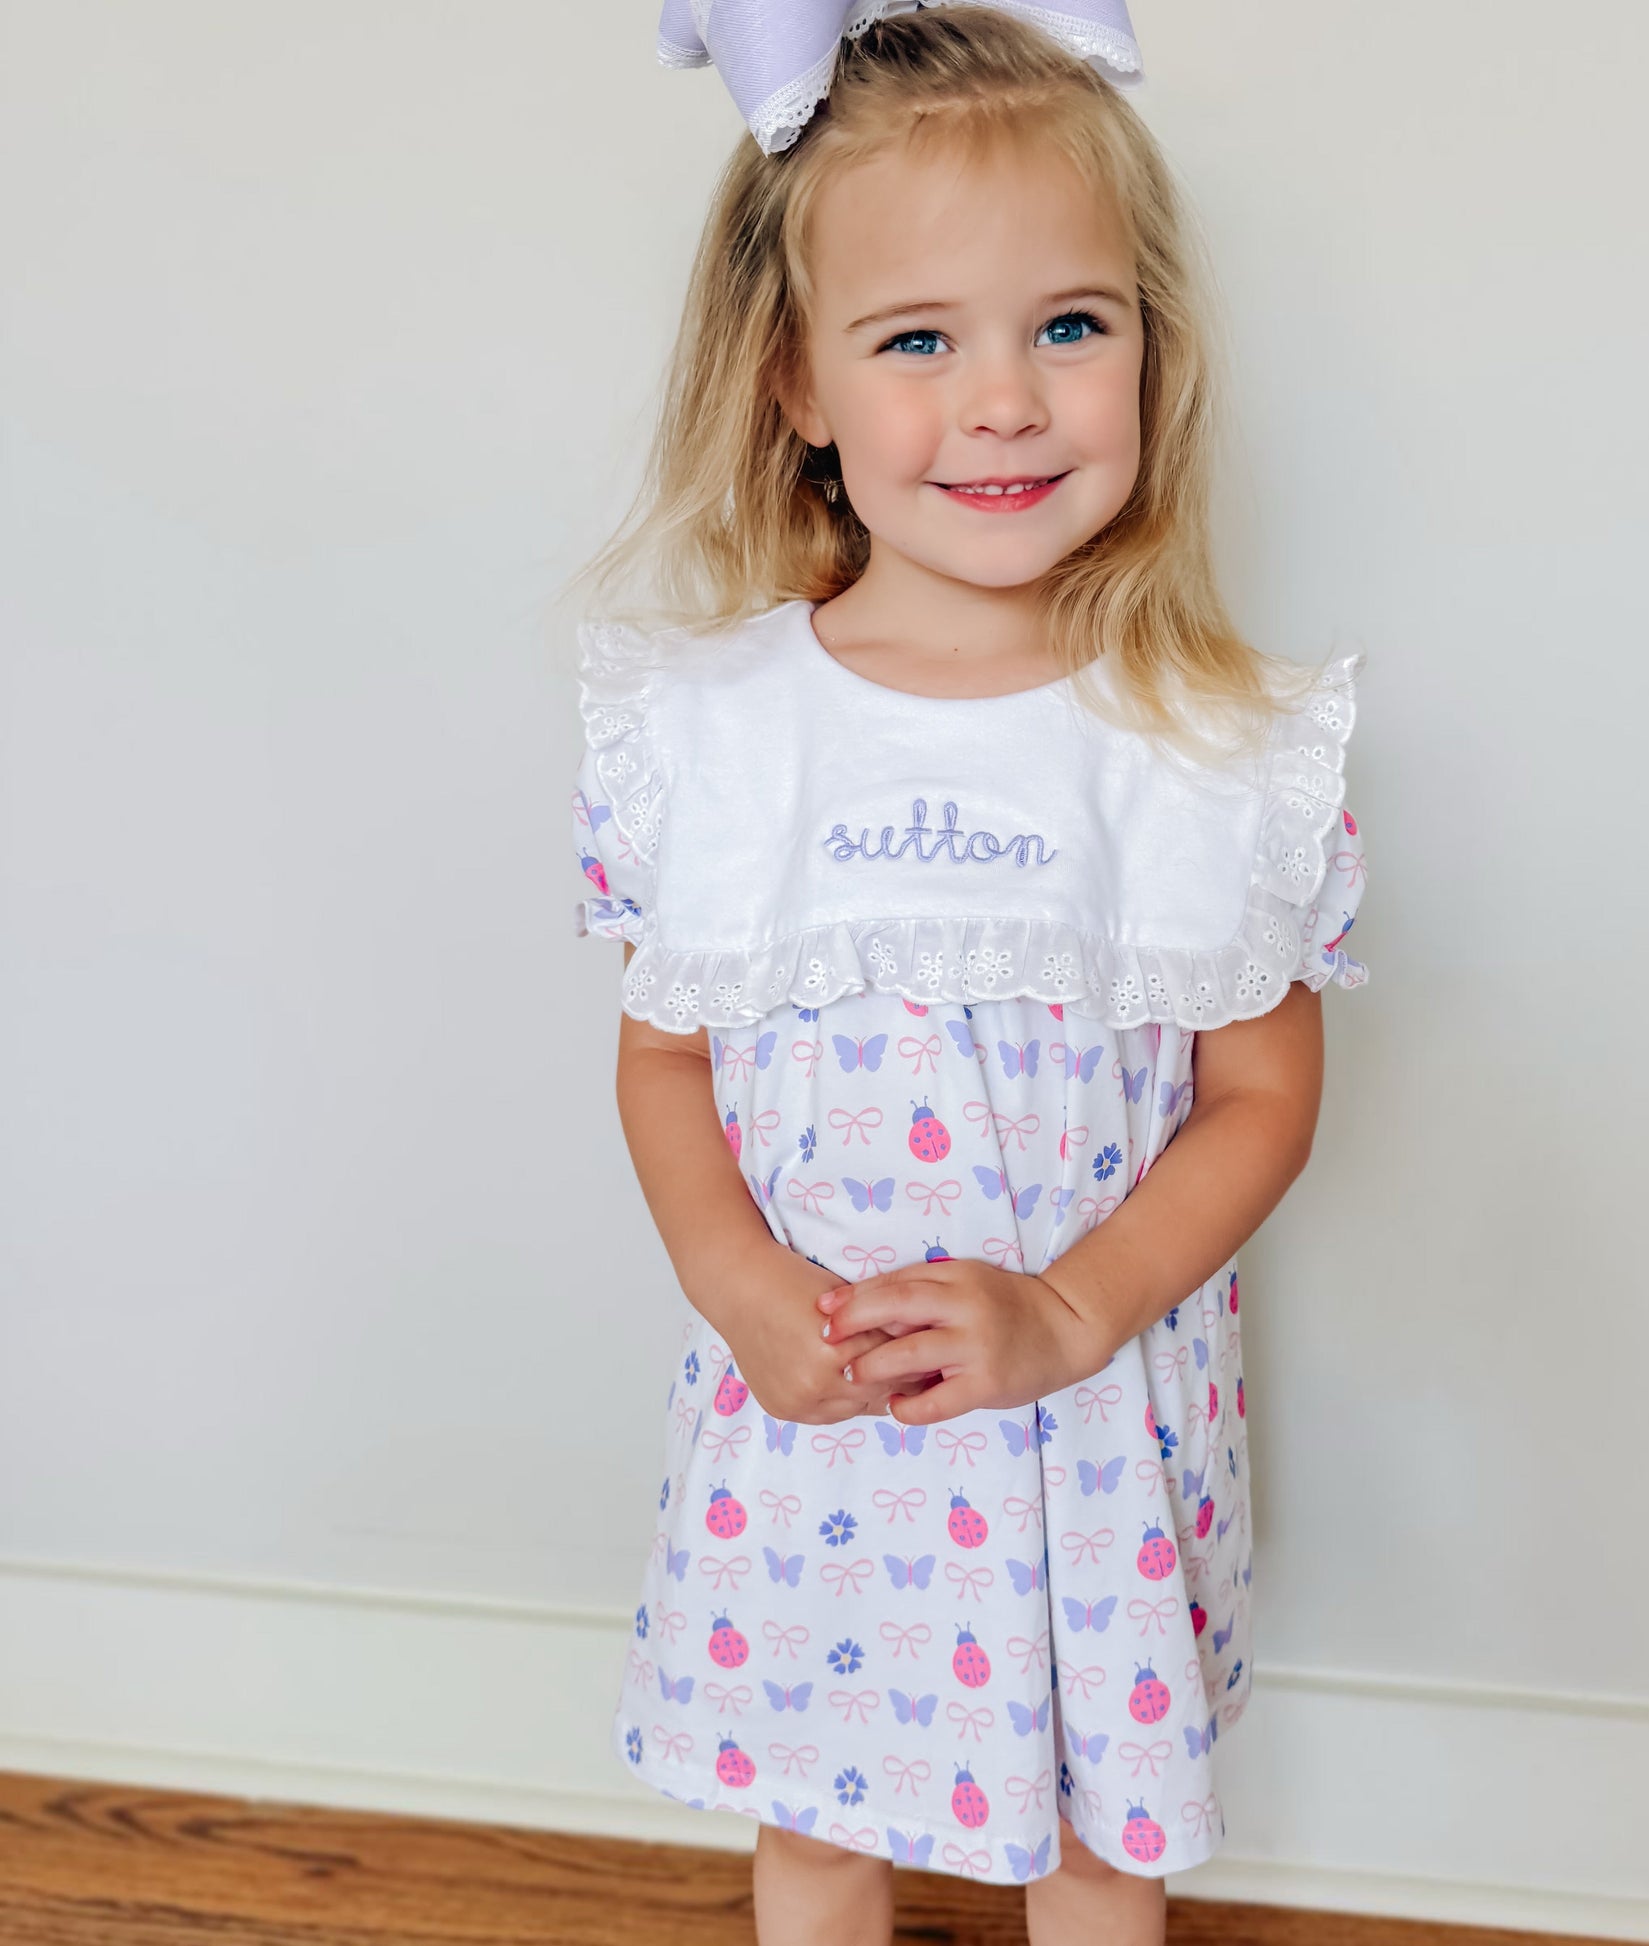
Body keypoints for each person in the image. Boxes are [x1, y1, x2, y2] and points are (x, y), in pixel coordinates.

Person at [569, 7, 1371, 1942]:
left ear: (1152, 352)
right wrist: (740, 1286)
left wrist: (1073, 1311)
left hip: (1095, 1413)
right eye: (919, 339)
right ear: (795, 376)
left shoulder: (1203, 742)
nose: (1003, 400)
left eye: (1068, 325)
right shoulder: (717, 730)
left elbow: (1262, 1091)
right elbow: (664, 1058)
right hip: (817, 1411)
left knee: (1100, 1832)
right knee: (817, 1813)